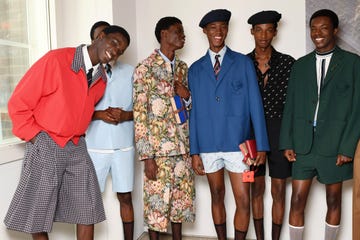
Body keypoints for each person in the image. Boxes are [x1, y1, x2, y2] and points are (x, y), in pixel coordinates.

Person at [4, 25, 129, 240]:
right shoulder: (56, 60)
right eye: (115, 43)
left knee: (88, 209)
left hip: (77, 146)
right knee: (39, 212)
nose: (116, 52)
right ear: (100, 37)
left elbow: (79, 110)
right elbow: (18, 103)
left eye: (121, 51)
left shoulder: (101, 79)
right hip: (46, 142)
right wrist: (37, 137)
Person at [188, 9, 269, 240]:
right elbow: (192, 113)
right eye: (213, 27)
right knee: (216, 195)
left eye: (223, 26)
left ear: (228, 29)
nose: (219, 32)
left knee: (243, 198)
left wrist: (261, 145)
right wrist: (195, 151)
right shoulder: (194, 69)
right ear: (204, 31)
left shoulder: (243, 62)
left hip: (239, 146)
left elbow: (255, 104)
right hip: (208, 144)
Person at [279, 9, 360, 240]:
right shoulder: (300, 66)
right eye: (313, 29)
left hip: (334, 146)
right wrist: (287, 142)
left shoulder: (353, 64)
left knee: (334, 200)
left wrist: (347, 148)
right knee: (296, 199)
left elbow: (357, 110)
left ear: (335, 30)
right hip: (303, 145)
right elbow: (290, 106)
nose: (317, 33)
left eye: (323, 28)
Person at [132, 16, 195, 240]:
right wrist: (147, 156)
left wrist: (187, 97)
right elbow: (140, 116)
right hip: (157, 152)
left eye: (183, 31)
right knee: (156, 204)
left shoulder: (184, 68)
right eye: (178, 31)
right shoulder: (145, 68)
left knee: (180, 201)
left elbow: (191, 108)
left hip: (183, 147)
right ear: (163, 34)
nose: (183, 35)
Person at [246, 10, 295, 240]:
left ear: (275, 32)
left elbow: (295, 104)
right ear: (252, 32)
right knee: (255, 189)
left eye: (268, 30)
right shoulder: (242, 63)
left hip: (279, 132)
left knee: (278, 190)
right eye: (259, 30)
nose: (263, 35)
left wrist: (291, 139)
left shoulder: (288, 63)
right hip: (251, 134)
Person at [86, 21, 135, 240]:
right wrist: (99, 114)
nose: (113, 51)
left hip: (124, 145)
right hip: (94, 147)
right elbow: (74, 109)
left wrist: (126, 115)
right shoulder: (86, 72)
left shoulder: (131, 72)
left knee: (126, 197)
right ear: (96, 40)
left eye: (118, 47)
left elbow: (144, 110)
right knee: (88, 201)